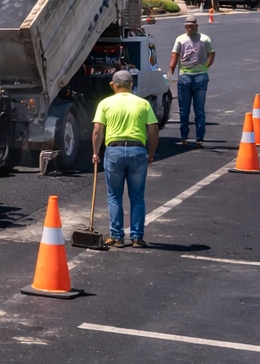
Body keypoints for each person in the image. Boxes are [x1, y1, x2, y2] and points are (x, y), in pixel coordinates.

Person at [91, 69, 159, 248]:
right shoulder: (143, 104)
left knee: (114, 196)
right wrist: (151, 153)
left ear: (112, 85)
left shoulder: (105, 103)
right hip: (137, 150)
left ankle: (117, 236)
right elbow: (153, 130)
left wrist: (96, 152)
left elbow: (98, 130)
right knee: (137, 197)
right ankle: (137, 237)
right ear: (131, 85)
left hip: (114, 151)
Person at [168, 15, 215, 145]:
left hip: (187, 76)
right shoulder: (204, 39)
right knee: (198, 110)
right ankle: (198, 138)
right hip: (198, 76)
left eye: (190, 25)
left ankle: (185, 137)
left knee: (185, 110)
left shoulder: (181, 39)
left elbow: (173, 60)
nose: (190, 27)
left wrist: (169, 75)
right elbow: (211, 53)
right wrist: (205, 66)